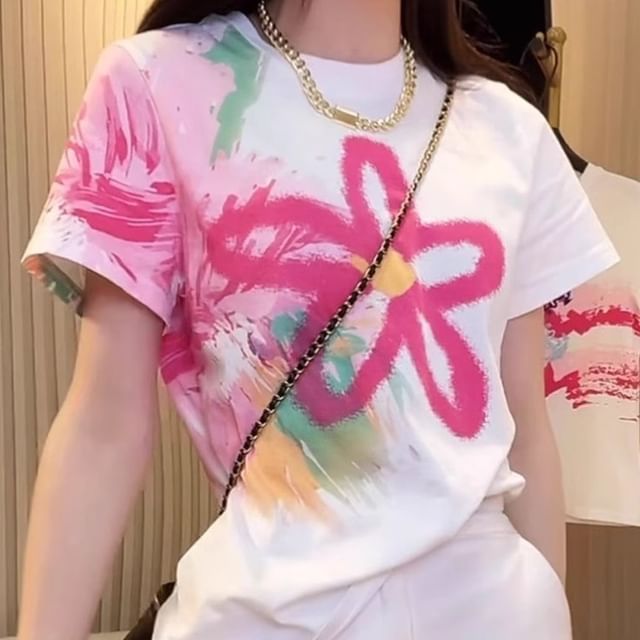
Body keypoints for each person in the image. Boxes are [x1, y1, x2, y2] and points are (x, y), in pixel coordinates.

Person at [17, 1, 618, 639]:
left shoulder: (510, 129)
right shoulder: (157, 84)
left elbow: (525, 431)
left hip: (496, 613)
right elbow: (104, 427)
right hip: (270, 616)